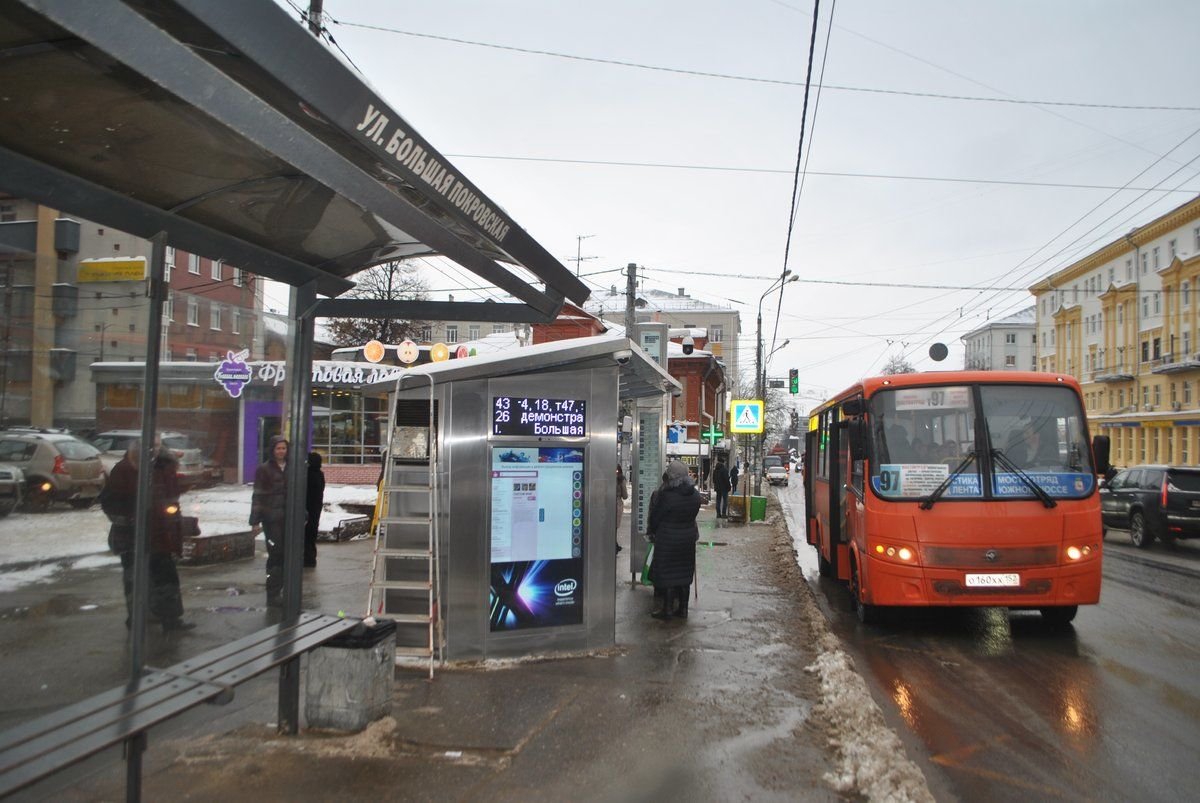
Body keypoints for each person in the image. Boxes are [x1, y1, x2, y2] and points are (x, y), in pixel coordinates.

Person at [100, 438, 193, 633]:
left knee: (166, 577)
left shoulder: (164, 467)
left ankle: (170, 619)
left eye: (158, 444)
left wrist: (175, 522)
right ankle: (136, 619)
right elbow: (110, 503)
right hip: (133, 536)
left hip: (160, 534)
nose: (155, 448)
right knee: (135, 579)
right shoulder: (125, 469)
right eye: (152, 444)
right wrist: (131, 518)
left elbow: (172, 498)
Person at [647, 460, 702, 621]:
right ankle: (683, 609)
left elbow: (656, 517)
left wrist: (654, 530)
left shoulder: (666, 495)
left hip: (668, 540)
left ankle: (668, 609)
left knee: (668, 575)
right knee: (684, 573)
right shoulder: (695, 495)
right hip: (687, 539)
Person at [250, 435, 289, 604]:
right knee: (276, 554)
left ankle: (284, 590)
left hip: (289, 517)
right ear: (272, 450)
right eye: (278, 448)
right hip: (271, 518)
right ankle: (273, 593)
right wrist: (255, 521)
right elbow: (258, 495)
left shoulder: (292, 467)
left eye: (284, 448)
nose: (281, 451)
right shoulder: (264, 469)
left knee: (288, 555)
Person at [304, 451, 326, 568]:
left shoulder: (307, 474)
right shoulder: (320, 474)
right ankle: (311, 558)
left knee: (306, 535)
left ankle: (307, 559)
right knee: (312, 534)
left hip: (307, 508)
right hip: (316, 508)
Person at [615, 464, 628, 554]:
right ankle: (614, 545)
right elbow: (625, 496)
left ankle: (613, 544)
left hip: (604, 504)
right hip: (617, 504)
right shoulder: (621, 479)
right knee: (615, 526)